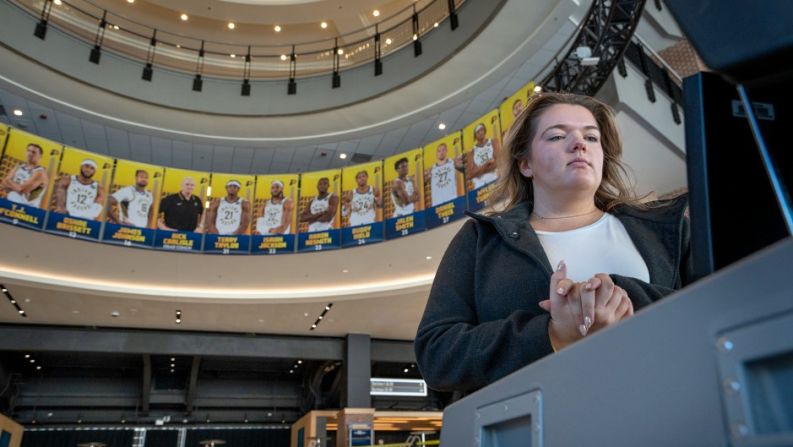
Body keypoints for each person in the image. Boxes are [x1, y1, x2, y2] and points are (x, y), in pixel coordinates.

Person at [414, 93, 691, 392]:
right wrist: (552, 333)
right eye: (557, 136)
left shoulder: (665, 230)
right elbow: (437, 354)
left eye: (592, 137)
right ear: (526, 165)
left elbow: (712, 312)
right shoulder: (481, 239)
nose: (579, 144)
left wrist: (616, 296)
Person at [1, 143, 48, 208]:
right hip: (10, 204)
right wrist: (15, 187)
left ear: (40, 156)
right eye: (28, 151)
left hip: (27, 210)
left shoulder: (40, 172)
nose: (30, 153)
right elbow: (3, 183)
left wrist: (9, 183)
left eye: (34, 152)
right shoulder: (18, 167)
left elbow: (21, 189)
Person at [466, 123, 501, 189]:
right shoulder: (471, 152)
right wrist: (487, 164)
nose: (480, 133)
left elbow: (499, 162)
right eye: (477, 132)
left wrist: (478, 170)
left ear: (484, 130)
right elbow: (471, 174)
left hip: (494, 180)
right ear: (475, 135)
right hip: (479, 186)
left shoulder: (493, 142)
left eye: (481, 130)